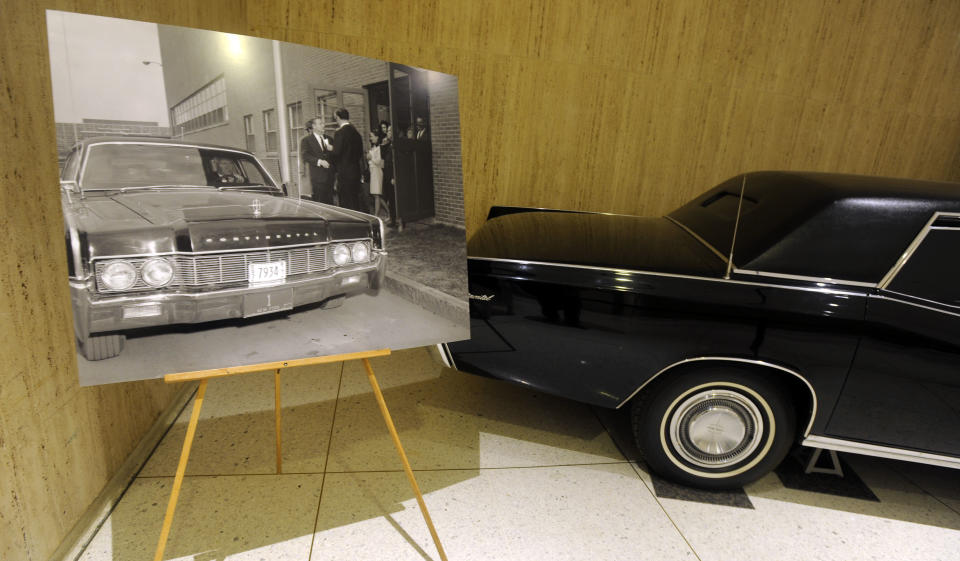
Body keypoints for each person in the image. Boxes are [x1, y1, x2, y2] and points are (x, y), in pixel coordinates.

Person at [329, 108, 364, 212]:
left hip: (344, 173)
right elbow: (359, 153)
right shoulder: (356, 133)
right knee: (355, 200)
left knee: (345, 202)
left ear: (338, 118)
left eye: (335, 118)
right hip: (355, 171)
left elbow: (336, 153)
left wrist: (330, 148)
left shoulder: (339, 133)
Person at [299, 118, 335, 204]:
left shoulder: (329, 139)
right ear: (314, 126)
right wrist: (319, 162)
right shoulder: (306, 140)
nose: (323, 125)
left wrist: (334, 149)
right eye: (320, 123)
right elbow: (305, 155)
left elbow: (335, 156)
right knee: (319, 202)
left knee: (330, 203)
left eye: (323, 123)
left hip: (330, 176)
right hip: (317, 177)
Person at [379, 121, 398, 227]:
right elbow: (383, 156)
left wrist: (394, 176)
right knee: (390, 198)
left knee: (393, 199)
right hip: (387, 175)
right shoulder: (389, 144)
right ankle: (393, 219)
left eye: (390, 130)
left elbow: (396, 162)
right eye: (388, 131)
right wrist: (383, 144)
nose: (388, 132)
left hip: (392, 177)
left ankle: (395, 220)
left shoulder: (396, 145)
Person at [366, 130, 385, 218]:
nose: (371, 138)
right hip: (373, 172)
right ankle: (388, 212)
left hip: (377, 171)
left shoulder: (380, 148)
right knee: (375, 194)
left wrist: (371, 157)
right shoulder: (373, 148)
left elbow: (378, 162)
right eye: (370, 136)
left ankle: (376, 215)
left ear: (377, 137)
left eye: (372, 136)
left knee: (377, 194)